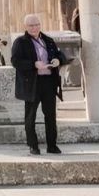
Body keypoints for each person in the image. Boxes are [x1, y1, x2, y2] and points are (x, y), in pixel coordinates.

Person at [11, 13, 67, 155]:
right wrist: (33, 64)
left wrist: (58, 60)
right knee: (30, 116)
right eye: (31, 25)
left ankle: (52, 146)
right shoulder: (20, 42)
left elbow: (60, 55)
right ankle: (33, 146)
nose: (34, 28)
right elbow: (15, 61)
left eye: (37, 24)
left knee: (51, 115)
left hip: (49, 82)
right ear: (25, 26)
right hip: (32, 84)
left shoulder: (48, 40)